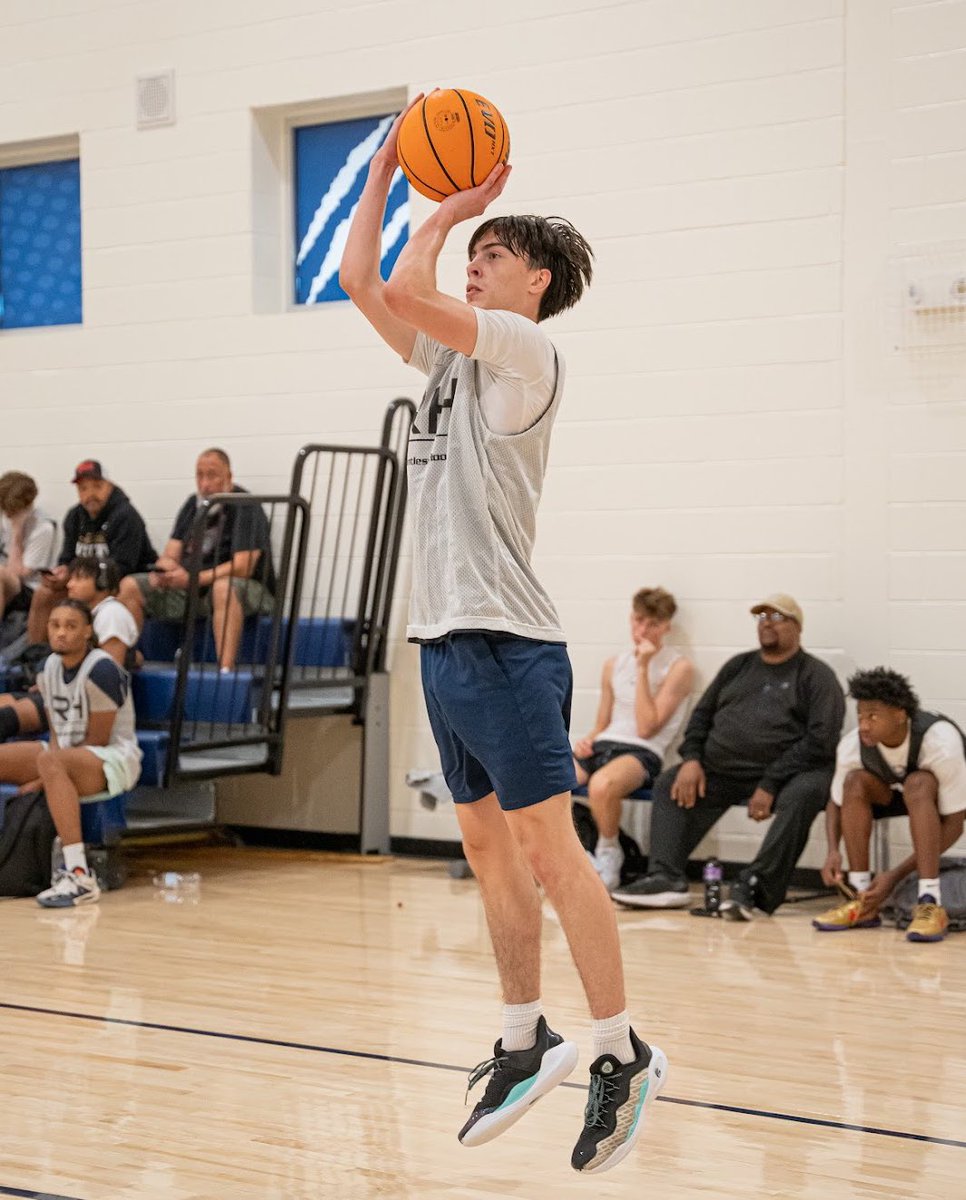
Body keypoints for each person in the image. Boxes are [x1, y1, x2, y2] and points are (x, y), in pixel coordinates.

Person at [339, 95, 666, 1176]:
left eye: (495, 255)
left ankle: (622, 1052)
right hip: (444, 640)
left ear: (537, 283)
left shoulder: (526, 354)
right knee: (484, 850)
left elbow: (404, 288)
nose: (475, 266)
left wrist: (447, 208)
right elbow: (361, 280)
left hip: (508, 642)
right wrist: (384, 172)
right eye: (472, 254)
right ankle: (525, 1037)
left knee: (549, 853)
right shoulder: (447, 367)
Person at [612, 594, 845, 920]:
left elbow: (821, 741)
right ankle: (665, 878)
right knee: (669, 782)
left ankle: (755, 887)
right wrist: (692, 759)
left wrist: (770, 782)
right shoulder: (739, 666)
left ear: (797, 627)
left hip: (787, 775)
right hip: (724, 770)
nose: (766, 623)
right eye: (761, 617)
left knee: (806, 793)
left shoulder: (816, 676)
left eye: (777, 617)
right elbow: (701, 717)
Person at [0, 598, 141, 907]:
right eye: (55, 625)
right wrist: (47, 770)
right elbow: (56, 733)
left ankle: (78, 874)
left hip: (112, 759)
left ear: (88, 631)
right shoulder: (48, 667)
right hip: (63, 754)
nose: (61, 633)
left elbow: (97, 741)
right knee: (39, 758)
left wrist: (43, 778)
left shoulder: (102, 670)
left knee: (52, 762)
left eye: (70, 626)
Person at [813, 667, 966, 943]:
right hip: (891, 794)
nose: (864, 725)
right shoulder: (852, 744)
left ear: (899, 715)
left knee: (919, 783)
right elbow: (835, 802)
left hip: (933, 798)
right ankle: (861, 899)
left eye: (873, 716)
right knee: (854, 782)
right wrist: (833, 850)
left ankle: (929, 902)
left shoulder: (940, 741)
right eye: (860, 715)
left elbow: (955, 824)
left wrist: (894, 876)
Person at [573, 587, 693, 891]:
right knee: (551, 780)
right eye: (638, 621)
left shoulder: (678, 667)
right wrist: (587, 741)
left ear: (666, 627)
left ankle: (609, 852)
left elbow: (646, 727)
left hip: (642, 751)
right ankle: (576, 852)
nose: (643, 630)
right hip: (605, 743)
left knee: (601, 785)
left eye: (653, 624)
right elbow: (602, 723)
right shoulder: (613, 664)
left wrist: (642, 666)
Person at [117, 448, 275, 671]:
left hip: (245, 589)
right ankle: (126, 662)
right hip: (191, 588)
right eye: (199, 475)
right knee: (130, 585)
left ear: (229, 477)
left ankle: (225, 672)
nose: (205, 484)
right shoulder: (193, 504)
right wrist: (164, 571)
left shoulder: (246, 506)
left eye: (212, 475)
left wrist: (194, 578)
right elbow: (170, 553)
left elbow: (243, 567)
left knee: (223, 589)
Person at [0, 558, 139, 745]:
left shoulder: (111, 613)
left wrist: (55, 685)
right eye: (71, 578)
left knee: (5, 718)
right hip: (63, 692)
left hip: (79, 702)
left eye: (79, 579)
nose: (70, 584)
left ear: (102, 583)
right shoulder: (88, 614)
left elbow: (109, 675)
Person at [25, 460, 155, 648]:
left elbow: (123, 567)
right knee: (44, 593)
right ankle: (36, 653)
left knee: (124, 588)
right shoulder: (74, 517)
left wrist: (82, 580)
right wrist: (61, 573)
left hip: (117, 583)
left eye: (97, 486)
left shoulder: (126, 516)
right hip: (85, 581)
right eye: (83, 489)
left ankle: (122, 653)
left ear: (110, 486)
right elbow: (67, 558)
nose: (90, 494)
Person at [0, 471, 57, 619]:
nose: (7, 515)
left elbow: (17, 573)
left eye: (11, 511)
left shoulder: (43, 528)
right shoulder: (5, 516)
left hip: (28, 588)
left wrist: (17, 533)